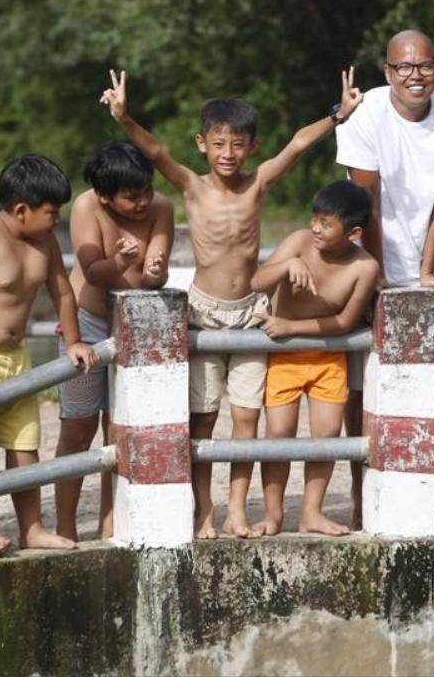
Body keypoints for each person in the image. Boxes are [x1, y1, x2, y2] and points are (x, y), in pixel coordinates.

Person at [100, 67, 363, 538]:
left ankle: (237, 509)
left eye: (238, 144)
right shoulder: (191, 186)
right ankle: (204, 511)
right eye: (219, 144)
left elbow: (299, 145)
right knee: (202, 419)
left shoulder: (258, 184)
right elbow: (155, 150)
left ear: (252, 147)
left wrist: (336, 115)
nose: (228, 154)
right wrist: (123, 117)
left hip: (249, 313)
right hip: (202, 311)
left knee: (247, 417)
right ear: (202, 144)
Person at [335, 29, 434, 528]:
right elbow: (363, 203)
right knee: (361, 386)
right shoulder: (365, 112)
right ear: (388, 72)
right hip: (367, 258)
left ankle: (414, 496)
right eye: (404, 68)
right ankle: (360, 492)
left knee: (419, 385)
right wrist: (377, 277)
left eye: (425, 66)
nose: (415, 76)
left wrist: (422, 271)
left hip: (428, 262)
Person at [0, 154, 99, 556]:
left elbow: (63, 291)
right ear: (22, 210)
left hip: (17, 359)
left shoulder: (44, 242)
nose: (56, 219)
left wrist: (76, 340)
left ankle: (33, 528)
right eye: (51, 212)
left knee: (24, 445)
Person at [54, 141, 174, 541]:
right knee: (78, 427)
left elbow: (155, 275)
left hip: (134, 327)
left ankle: (112, 519)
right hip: (88, 322)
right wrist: (123, 262)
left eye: (146, 191)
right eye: (131, 197)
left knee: (119, 429)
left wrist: (155, 269)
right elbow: (93, 271)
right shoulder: (87, 207)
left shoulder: (162, 208)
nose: (142, 203)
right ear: (105, 197)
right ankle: (66, 523)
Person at [249, 180, 379, 536]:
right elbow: (257, 281)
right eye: (315, 219)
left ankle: (311, 513)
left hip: (327, 357)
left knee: (326, 435)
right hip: (284, 358)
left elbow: (345, 321)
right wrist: (287, 264)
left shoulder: (365, 267)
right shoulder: (298, 242)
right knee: (279, 435)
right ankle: (273, 515)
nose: (315, 228)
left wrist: (290, 325)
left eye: (326, 223)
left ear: (353, 233)